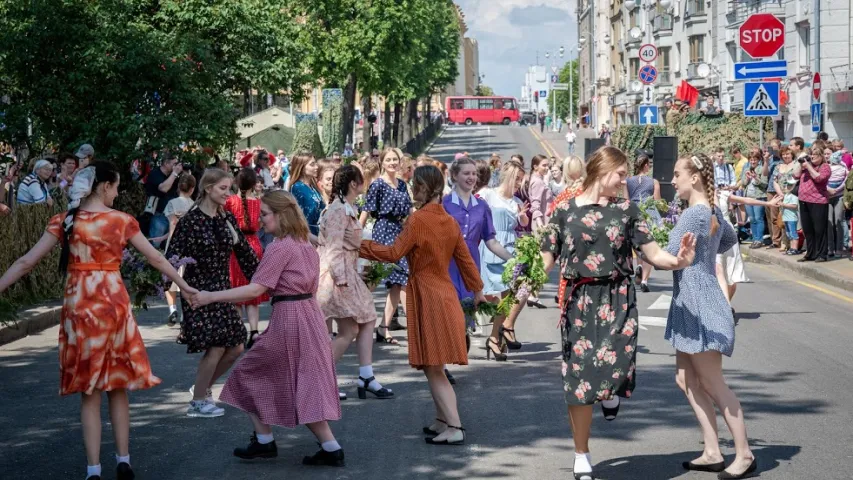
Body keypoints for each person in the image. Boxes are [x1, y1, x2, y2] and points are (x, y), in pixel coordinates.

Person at [0, 162, 196, 480]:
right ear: (103, 186)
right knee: (117, 387)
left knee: (89, 392)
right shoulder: (121, 221)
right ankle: (124, 461)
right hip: (114, 305)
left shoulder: (64, 222)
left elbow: (26, 262)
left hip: (80, 308)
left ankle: (93, 469)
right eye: (116, 187)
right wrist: (184, 287)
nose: (118, 194)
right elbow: (156, 258)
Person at [540, 146, 696, 480]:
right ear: (602, 169)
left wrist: (678, 261)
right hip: (579, 300)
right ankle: (581, 453)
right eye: (620, 174)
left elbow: (653, 253)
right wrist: (525, 279)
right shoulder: (565, 210)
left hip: (617, 297)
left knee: (616, 364)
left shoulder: (627, 211)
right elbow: (546, 256)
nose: (624, 181)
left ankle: (609, 392)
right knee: (579, 380)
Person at [191, 191, 345, 467]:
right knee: (303, 382)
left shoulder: (281, 246)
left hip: (290, 317)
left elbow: (257, 288)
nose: (260, 220)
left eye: (264, 214)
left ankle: (265, 441)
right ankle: (330, 446)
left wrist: (210, 296)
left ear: (281, 214)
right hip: (309, 316)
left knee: (246, 373)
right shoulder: (303, 243)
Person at [359, 165, 487, 446]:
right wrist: (478, 290)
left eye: (416, 185)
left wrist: (360, 245)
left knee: (434, 367)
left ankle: (454, 426)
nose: (412, 189)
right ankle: (442, 420)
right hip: (445, 293)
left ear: (426, 188)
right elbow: (465, 260)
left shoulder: (417, 221)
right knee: (435, 366)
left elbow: (393, 253)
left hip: (427, 295)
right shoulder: (449, 221)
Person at [666, 153, 756, 479]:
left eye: (677, 174)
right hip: (693, 301)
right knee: (685, 378)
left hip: (699, 305)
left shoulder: (693, 214)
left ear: (694, 178)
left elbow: (669, 253)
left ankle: (744, 453)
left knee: (713, 383)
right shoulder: (713, 210)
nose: (673, 180)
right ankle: (712, 450)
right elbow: (729, 240)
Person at [166, 168, 260, 418]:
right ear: (208, 189)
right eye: (223, 188)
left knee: (237, 346)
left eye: (229, 188)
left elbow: (246, 256)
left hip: (222, 289)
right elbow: (171, 259)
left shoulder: (226, 219)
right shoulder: (191, 220)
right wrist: (178, 287)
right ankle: (198, 402)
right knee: (217, 345)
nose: (228, 193)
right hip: (198, 290)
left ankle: (201, 387)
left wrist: (264, 279)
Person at [320, 165, 394, 399]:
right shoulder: (338, 210)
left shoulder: (346, 208)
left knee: (364, 320)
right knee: (351, 328)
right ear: (353, 183)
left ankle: (365, 376)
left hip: (345, 272)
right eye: (361, 179)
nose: (364, 183)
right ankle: (323, 380)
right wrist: (342, 279)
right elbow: (332, 248)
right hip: (337, 276)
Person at [443, 158, 513, 361]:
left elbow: (491, 241)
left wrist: (513, 259)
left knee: (465, 313)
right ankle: (444, 363)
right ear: (454, 176)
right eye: (466, 173)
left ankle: (457, 343)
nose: (471, 177)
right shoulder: (444, 204)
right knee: (449, 311)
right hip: (446, 264)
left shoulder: (482, 207)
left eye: (474, 173)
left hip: (470, 266)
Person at [358, 148, 412, 343]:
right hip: (383, 231)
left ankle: (383, 327)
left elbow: (410, 214)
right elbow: (365, 212)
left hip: (399, 231)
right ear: (382, 162)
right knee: (374, 280)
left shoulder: (403, 185)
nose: (392, 163)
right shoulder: (378, 185)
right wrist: (356, 238)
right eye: (388, 159)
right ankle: (357, 322)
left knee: (400, 280)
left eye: (395, 159)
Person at [479, 160, 529, 355]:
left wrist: (523, 217)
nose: (518, 183)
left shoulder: (516, 202)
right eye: (516, 179)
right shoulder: (487, 194)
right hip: (491, 247)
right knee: (487, 297)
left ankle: (497, 335)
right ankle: (487, 336)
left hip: (511, 250)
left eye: (521, 180)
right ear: (506, 176)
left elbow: (522, 224)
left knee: (516, 292)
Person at [224, 168, 270, 347]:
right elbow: (260, 225)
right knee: (252, 292)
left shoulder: (230, 201)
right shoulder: (259, 203)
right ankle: (254, 331)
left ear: (236, 182)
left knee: (236, 288)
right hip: (254, 245)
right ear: (254, 184)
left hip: (235, 246)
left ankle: (238, 332)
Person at [158, 174, 196, 326]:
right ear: (192, 189)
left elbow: (173, 223)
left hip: (173, 245)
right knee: (186, 279)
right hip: (189, 246)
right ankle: (184, 316)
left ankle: (172, 309)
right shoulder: (194, 205)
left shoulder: (172, 203)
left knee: (170, 277)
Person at [626, 154, 662, 292]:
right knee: (650, 246)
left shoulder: (629, 181)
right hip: (649, 213)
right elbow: (657, 201)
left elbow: (626, 199)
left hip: (634, 212)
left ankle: (639, 266)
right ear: (646, 165)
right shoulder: (653, 182)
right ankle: (645, 280)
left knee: (637, 244)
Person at [794, 142, 831, 262]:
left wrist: (809, 166)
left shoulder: (825, 166)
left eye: (815, 155)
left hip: (818, 202)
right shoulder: (806, 166)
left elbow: (818, 178)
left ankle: (821, 254)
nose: (813, 157)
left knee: (819, 229)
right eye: (811, 155)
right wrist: (802, 162)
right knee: (808, 229)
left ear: (821, 156)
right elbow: (795, 175)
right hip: (804, 200)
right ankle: (810, 253)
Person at [144, 153, 182, 246]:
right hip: (159, 215)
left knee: (167, 246)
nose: (176, 166)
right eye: (174, 164)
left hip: (172, 216)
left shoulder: (173, 176)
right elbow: (164, 188)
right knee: (155, 245)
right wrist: (174, 173)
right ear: (166, 163)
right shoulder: (155, 174)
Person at [288, 153, 325, 243]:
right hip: (305, 237)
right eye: (312, 164)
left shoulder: (313, 187)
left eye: (316, 164)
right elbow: (295, 218)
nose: (316, 167)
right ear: (302, 167)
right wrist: (309, 237)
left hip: (318, 233)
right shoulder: (297, 188)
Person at [736, 150, 768, 248]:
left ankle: (760, 240)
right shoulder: (747, 169)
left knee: (759, 218)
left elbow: (764, 184)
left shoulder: (762, 169)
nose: (753, 162)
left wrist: (756, 178)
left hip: (759, 197)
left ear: (758, 160)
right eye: (751, 160)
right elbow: (743, 184)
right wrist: (748, 178)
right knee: (752, 219)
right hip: (748, 197)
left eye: (755, 160)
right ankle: (754, 239)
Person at [827, 147, 849, 257]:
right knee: (829, 222)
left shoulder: (843, 166)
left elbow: (847, 179)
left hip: (839, 196)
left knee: (838, 221)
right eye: (825, 154)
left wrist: (837, 189)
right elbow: (821, 180)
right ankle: (830, 248)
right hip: (827, 196)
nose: (827, 156)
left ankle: (839, 248)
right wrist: (828, 189)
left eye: (829, 153)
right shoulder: (825, 167)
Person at [779, 179, 802, 255]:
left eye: (789, 186)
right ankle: (791, 248)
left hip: (792, 218)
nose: (787, 187)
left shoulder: (794, 196)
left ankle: (795, 249)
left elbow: (794, 206)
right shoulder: (785, 195)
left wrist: (783, 204)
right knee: (789, 233)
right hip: (786, 218)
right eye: (787, 185)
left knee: (793, 233)